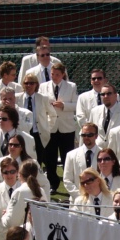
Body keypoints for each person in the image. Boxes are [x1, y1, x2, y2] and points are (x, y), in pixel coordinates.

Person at [0, 107, 38, 192]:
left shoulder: (28, 139)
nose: (0, 121)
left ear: (13, 120)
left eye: (4, 119)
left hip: (19, 187)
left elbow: (32, 161)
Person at [40, 62, 78, 192]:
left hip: (66, 127)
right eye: (52, 74)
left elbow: (76, 105)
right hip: (50, 126)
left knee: (67, 156)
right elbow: (41, 104)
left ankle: (70, 183)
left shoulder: (71, 86)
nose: (54, 77)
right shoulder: (43, 86)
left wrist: (64, 105)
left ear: (63, 74)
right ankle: (53, 183)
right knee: (49, 157)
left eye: (57, 74)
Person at [3, 160, 49, 231]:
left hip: (24, 235)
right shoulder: (41, 191)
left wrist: (5, 215)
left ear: (19, 175)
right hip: (40, 234)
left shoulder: (19, 192)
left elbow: (11, 222)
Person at [62, 123, 101, 198]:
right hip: (77, 200)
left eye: (89, 135)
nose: (86, 137)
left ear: (96, 136)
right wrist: (80, 196)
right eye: (83, 135)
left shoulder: (103, 155)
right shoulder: (71, 155)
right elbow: (67, 180)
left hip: (99, 200)